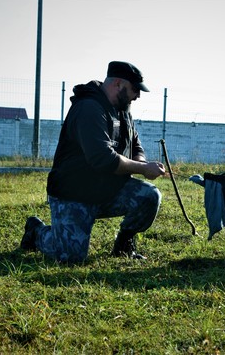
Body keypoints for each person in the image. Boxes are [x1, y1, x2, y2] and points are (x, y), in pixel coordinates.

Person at [21, 61, 166, 263]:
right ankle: (36, 232)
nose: (138, 95)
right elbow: (102, 158)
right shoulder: (89, 108)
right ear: (117, 83)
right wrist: (143, 169)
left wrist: (142, 163)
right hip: (74, 194)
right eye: (134, 89)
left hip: (108, 191)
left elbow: (135, 145)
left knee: (149, 196)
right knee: (71, 258)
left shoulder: (124, 110)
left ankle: (124, 244)